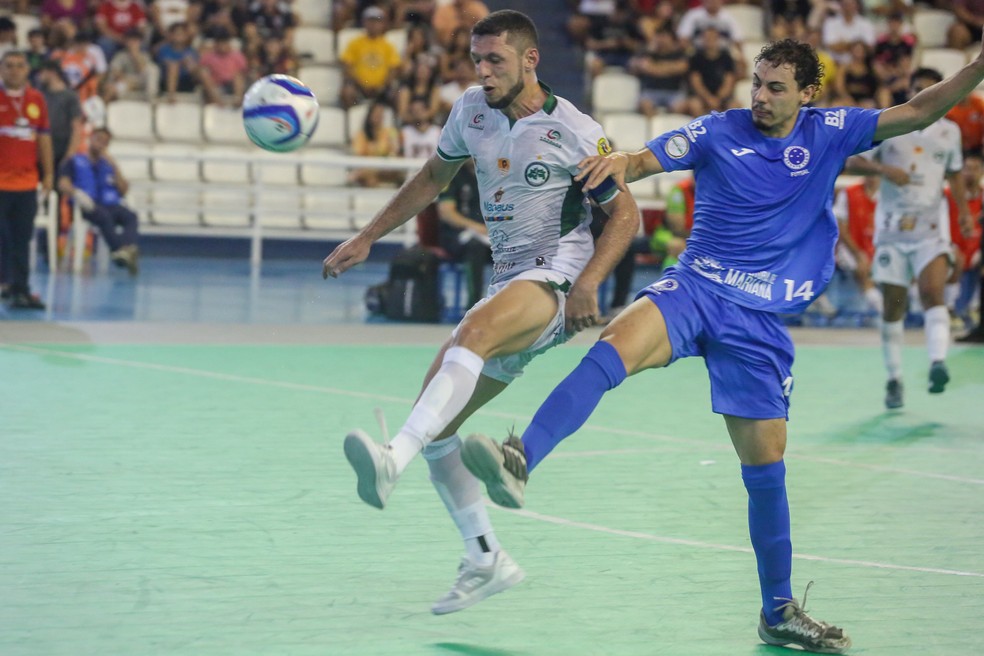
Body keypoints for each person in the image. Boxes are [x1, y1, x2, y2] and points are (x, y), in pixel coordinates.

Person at [459, 38, 984, 654]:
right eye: (757, 83)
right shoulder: (718, 129)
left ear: (808, 93)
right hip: (695, 286)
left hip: (758, 319)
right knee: (611, 350)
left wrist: (977, 69)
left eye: (777, 87)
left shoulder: (833, 131)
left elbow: (918, 112)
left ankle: (778, 610)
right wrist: (619, 162)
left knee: (765, 471)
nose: (760, 97)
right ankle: (521, 458)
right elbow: (648, 158)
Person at [323, 10, 639, 615]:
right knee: (438, 422)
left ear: (530, 60)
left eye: (495, 60)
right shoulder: (471, 108)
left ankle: (393, 461)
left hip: (554, 276)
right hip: (506, 282)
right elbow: (432, 177)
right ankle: (486, 556)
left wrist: (588, 285)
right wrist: (368, 235)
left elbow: (626, 215)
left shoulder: (575, 130)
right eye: (477, 60)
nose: (484, 72)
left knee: (471, 335)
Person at [850, 68, 973, 409]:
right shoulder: (891, 125)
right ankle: (894, 378)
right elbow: (850, 163)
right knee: (894, 306)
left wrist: (962, 211)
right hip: (891, 231)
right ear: (911, 90)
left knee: (933, 292)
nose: (924, 95)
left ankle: (937, 362)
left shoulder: (950, 132)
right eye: (918, 89)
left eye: (930, 89)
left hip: (931, 229)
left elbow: (954, 173)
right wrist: (884, 170)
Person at [0, 50, 54, 310]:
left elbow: (44, 138)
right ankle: (5, 282)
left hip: (26, 183)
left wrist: (49, 174)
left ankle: (20, 289)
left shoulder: (36, 99)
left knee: (22, 239)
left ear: (26, 70)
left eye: (19, 66)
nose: (14, 70)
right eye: (9, 66)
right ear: (2, 70)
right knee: (2, 238)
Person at [57, 126, 140, 274]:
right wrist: (76, 194)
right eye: (98, 139)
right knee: (103, 216)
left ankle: (124, 251)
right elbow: (63, 184)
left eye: (105, 142)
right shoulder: (74, 161)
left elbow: (124, 190)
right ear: (91, 139)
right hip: (88, 206)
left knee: (130, 216)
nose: (101, 144)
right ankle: (121, 250)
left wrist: (116, 167)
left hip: (109, 204)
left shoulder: (108, 164)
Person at [436, 158, 491, 309]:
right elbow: (446, 213)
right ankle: (474, 306)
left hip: (489, 236)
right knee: (475, 246)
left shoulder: (494, 174)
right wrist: (476, 228)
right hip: (457, 237)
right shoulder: (453, 175)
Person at [832, 174, 883, 314]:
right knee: (861, 268)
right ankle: (881, 309)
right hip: (850, 246)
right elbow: (840, 226)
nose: (872, 177)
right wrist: (858, 253)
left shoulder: (887, 194)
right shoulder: (849, 193)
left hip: (879, 246)